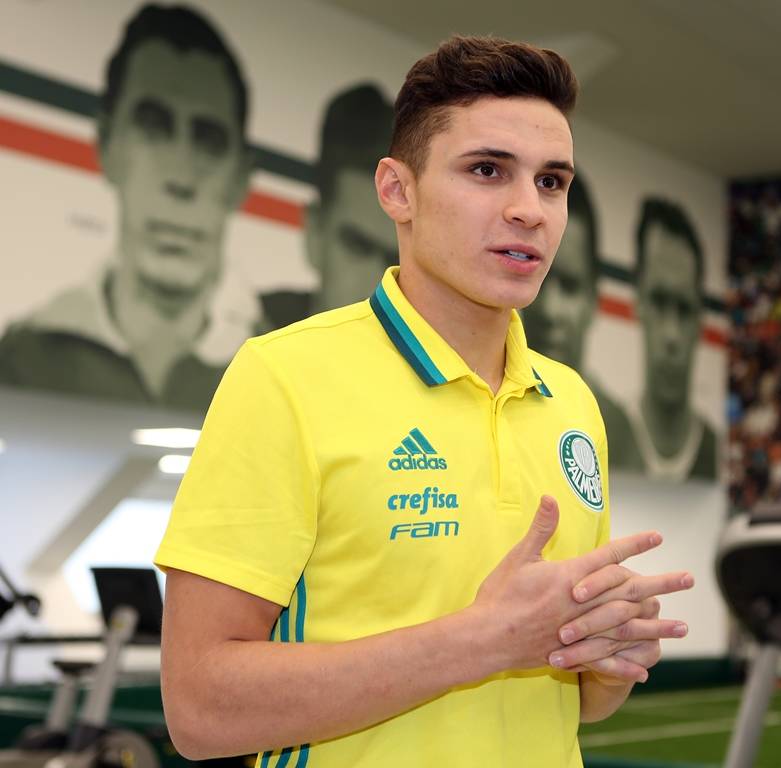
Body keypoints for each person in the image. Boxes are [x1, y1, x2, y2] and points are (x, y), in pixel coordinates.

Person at [155, 36, 694, 767]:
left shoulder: (571, 401)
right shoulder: (283, 376)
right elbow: (199, 709)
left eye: (551, 182)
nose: (529, 210)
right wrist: (483, 639)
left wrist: (607, 654)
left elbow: (582, 702)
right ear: (396, 191)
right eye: (487, 170)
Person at [0, 4, 253, 410]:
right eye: (152, 127)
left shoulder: (281, 365)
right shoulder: (21, 360)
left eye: (209, 139)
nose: (180, 179)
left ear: (241, 176)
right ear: (106, 145)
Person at [521, 173, 643, 471]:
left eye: (569, 286)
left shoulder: (615, 427)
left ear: (593, 297)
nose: (549, 310)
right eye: (539, 279)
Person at [259, 83, 399, 330]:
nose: (378, 284)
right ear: (315, 231)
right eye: (357, 246)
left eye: (397, 260)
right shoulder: (245, 338)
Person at [629, 197, 719, 481]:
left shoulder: (716, 452)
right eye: (659, 301)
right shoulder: (604, 432)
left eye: (684, 308)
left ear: (701, 317)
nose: (671, 334)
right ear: (638, 301)